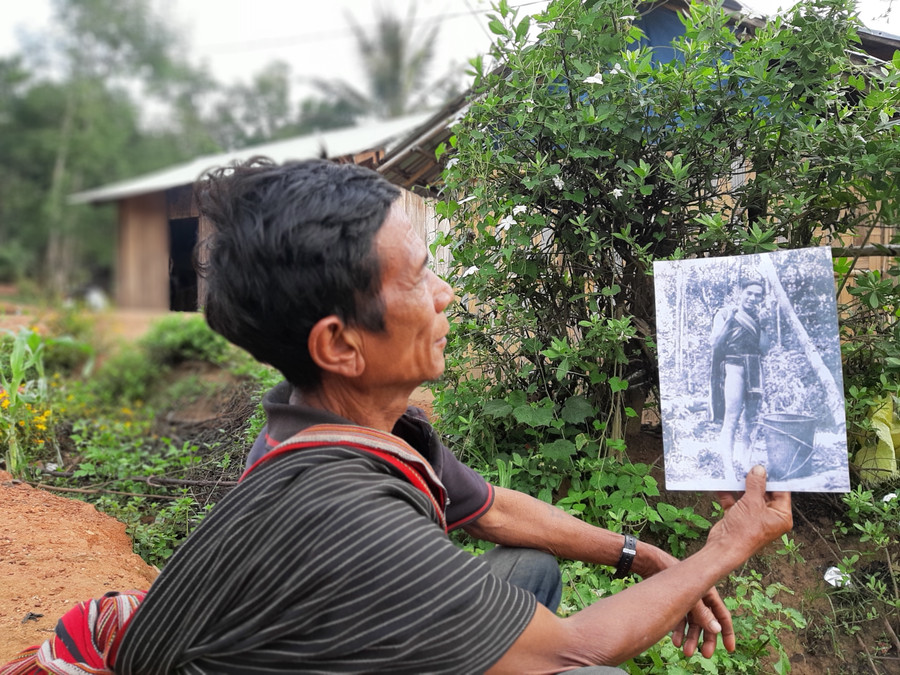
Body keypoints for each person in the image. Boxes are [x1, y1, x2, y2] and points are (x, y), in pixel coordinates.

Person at [1, 158, 792, 674]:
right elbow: (578, 650)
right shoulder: (344, 520)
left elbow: (496, 509)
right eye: (418, 275)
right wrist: (725, 546)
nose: (446, 292)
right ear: (341, 343)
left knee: (532, 569)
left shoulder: (353, 429)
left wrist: (637, 552)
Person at [710, 279, 771, 483]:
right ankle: (727, 466)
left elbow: (764, 349)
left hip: (754, 368)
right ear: (741, 292)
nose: (753, 298)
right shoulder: (726, 313)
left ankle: (745, 463)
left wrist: (763, 325)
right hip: (733, 368)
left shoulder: (760, 317)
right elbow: (716, 344)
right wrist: (731, 320)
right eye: (749, 293)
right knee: (732, 418)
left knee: (751, 419)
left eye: (758, 295)